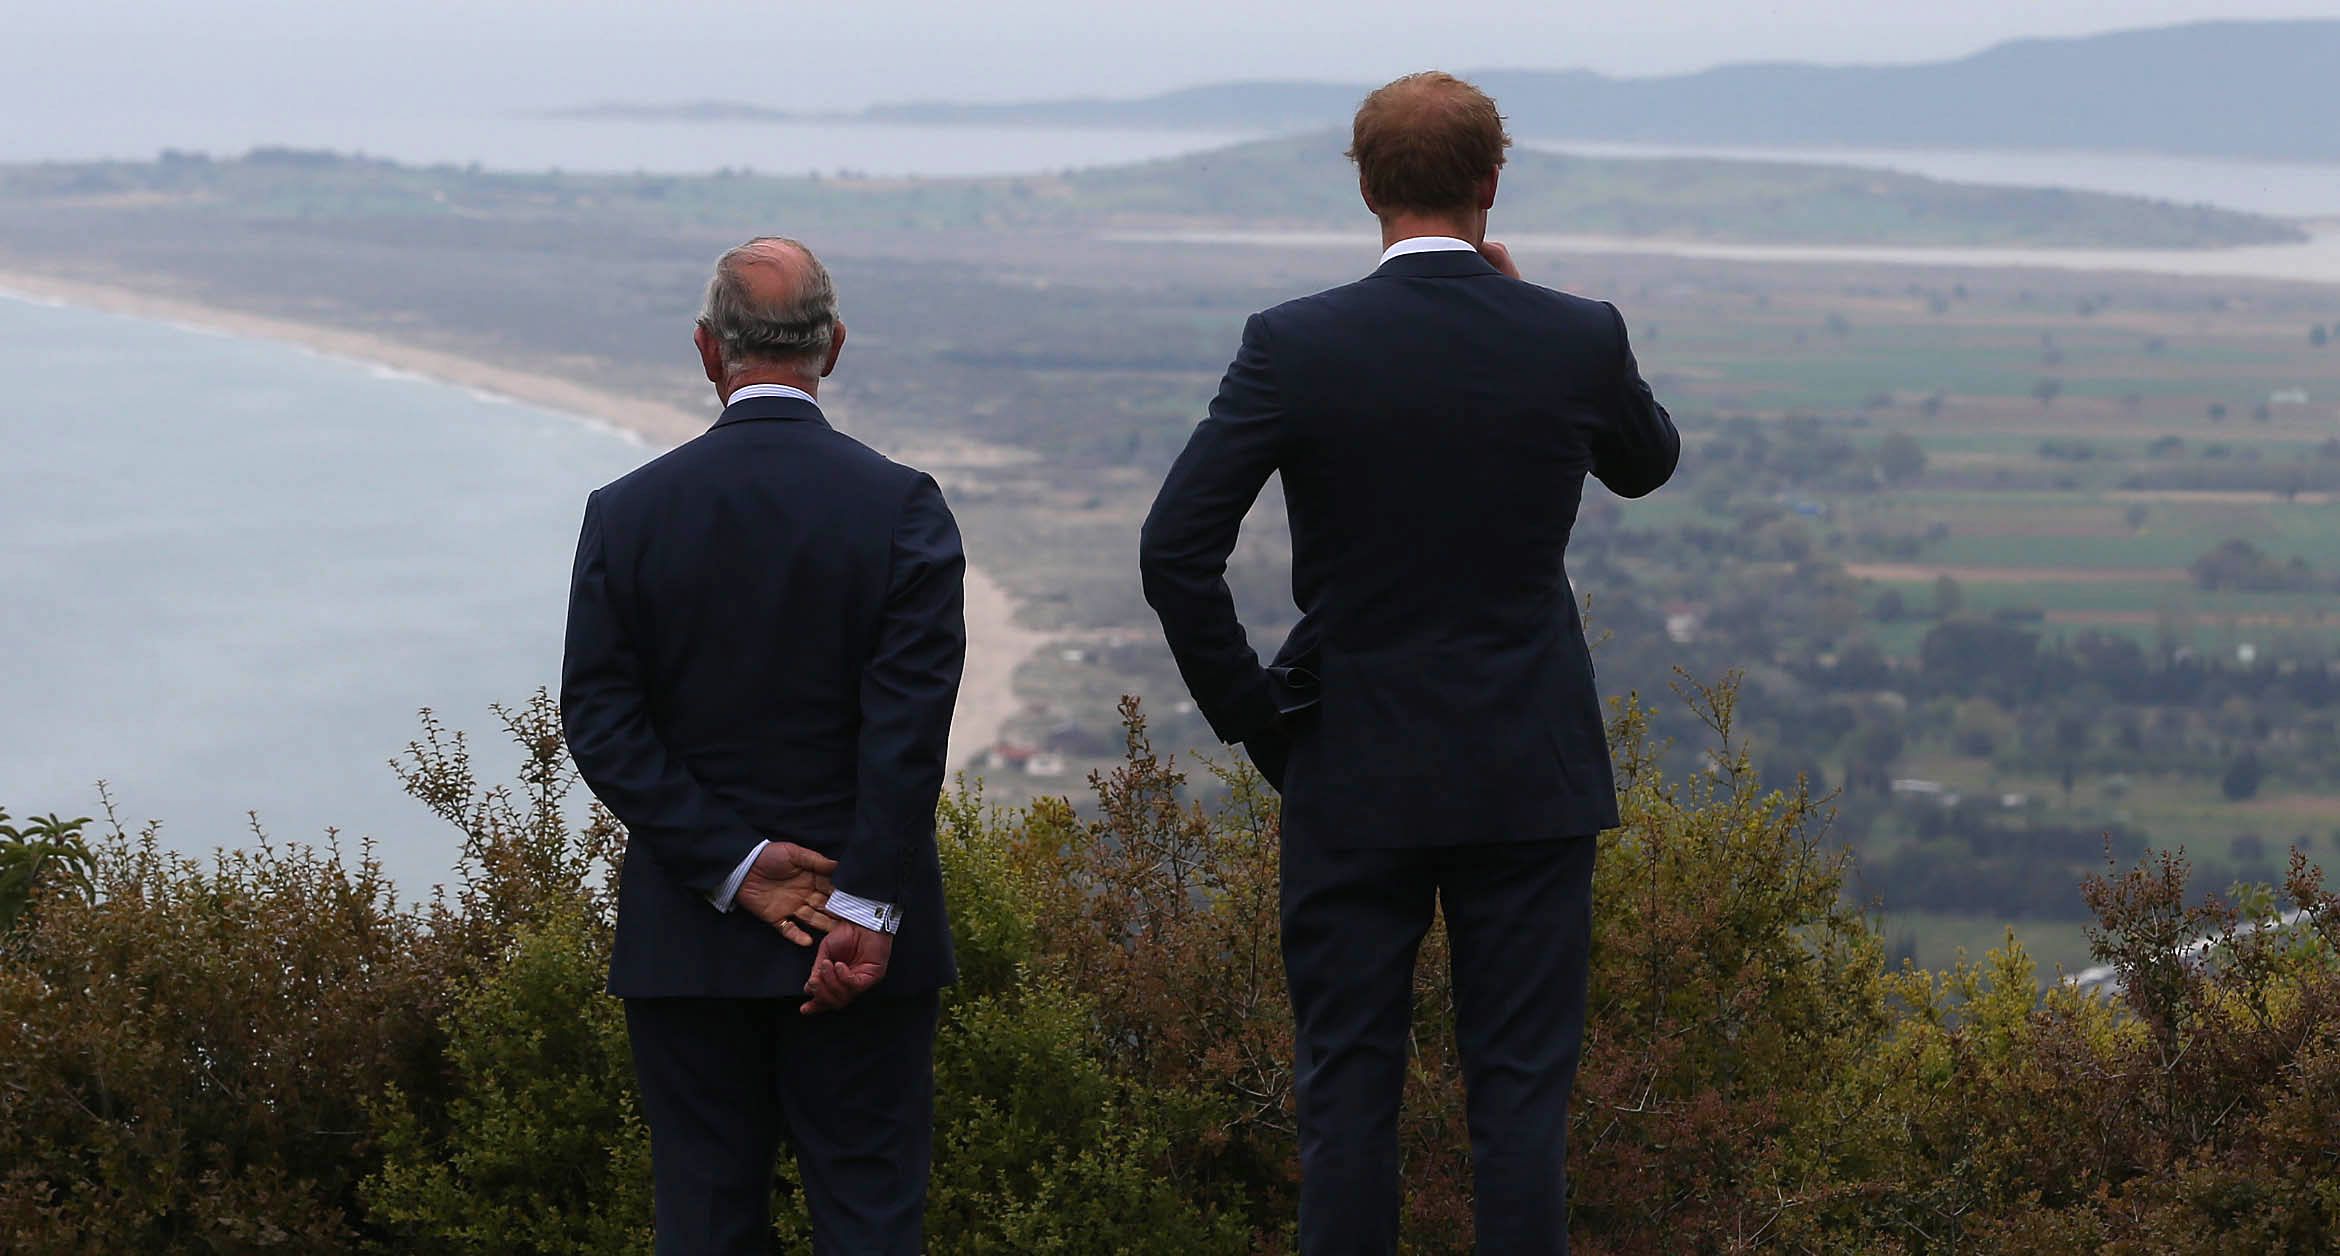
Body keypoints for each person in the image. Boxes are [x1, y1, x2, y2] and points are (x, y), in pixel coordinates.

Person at [1138, 72, 1680, 1254]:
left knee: (1343, 1092)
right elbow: (1648, 463)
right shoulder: (1576, 334)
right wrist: (1540, 317)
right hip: (1529, 770)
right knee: (1522, 1102)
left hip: (1351, 761)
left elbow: (1175, 549)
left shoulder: (1294, 343)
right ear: (1493, 182)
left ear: (1367, 186)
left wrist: (1262, 720)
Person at [562, 237, 965, 1255]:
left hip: (687, 943)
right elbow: (906, 733)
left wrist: (736, 867)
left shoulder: (629, 514)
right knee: (872, 1221)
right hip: (861, 947)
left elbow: (602, 719)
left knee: (704, 1222)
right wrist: (865, 911)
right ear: (834, 345)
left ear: (708, 351)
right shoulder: (901, 506)